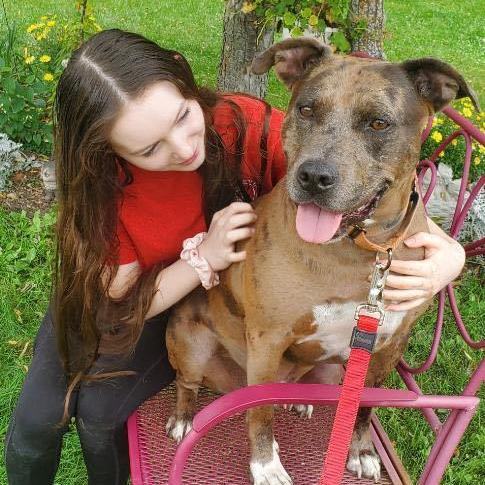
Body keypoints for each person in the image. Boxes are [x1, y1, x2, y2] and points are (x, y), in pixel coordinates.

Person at [4, 29, 465, 485]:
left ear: (188, 86)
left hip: (220, 299)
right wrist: (204, 257)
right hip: (134, 305)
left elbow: (365, 180)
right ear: (108, 151)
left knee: (101, 410)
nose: (184, 149)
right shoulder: (102, 190)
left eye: (183, 117)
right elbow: (117, 300)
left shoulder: (241, 123)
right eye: (149, 148)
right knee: (38, 420)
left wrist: (452, 255)